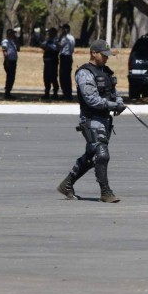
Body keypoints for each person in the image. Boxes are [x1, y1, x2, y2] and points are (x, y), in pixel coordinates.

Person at [56, 39, 126, 203]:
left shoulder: (106, 71)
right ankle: (105, 192)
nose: (107, 58)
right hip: (91, 119)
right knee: (102, 154)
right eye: (104, 55)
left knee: (91, 155)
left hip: (105, 120)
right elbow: (91, 100)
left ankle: (67, 183)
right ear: (93, 53)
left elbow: (113, 93)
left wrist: (119, 103)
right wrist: (113, 105)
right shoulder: (84, 73)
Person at [40, 27, 60, 100]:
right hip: (47, 61)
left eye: (50, 32)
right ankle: (47, 92)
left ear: (54, 33)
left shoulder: (57, 40)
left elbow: (57, 49)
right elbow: (42, 46)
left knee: (53, 77)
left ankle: (55, 93)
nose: (49, 33)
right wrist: (46, 47)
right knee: (46, 77)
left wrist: (49, 48)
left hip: (53, 61)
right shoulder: (47, 40)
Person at [58, 23, 76, 100]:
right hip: (69, 57)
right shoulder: (72, 37)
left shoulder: (65, 38)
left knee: (63, 76)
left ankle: (66, 93)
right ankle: (68, 93)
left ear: (66, 29)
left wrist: (57, 40)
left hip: (65, 57)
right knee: (67, 76)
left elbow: (59, 46)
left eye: (63, 29)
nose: (61, 30)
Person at [1, 29, 19, 100]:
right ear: (9, 34)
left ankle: (8, 92)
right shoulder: (5, 42)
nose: (14, 35)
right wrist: (7, 61)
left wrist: (16, 41)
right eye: (12, 34)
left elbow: (18, 49)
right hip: (9, 61)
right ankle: (7, 93)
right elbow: (4, 51)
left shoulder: (13, 42)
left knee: (12, 77)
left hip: (14, 62)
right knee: (10, 77)